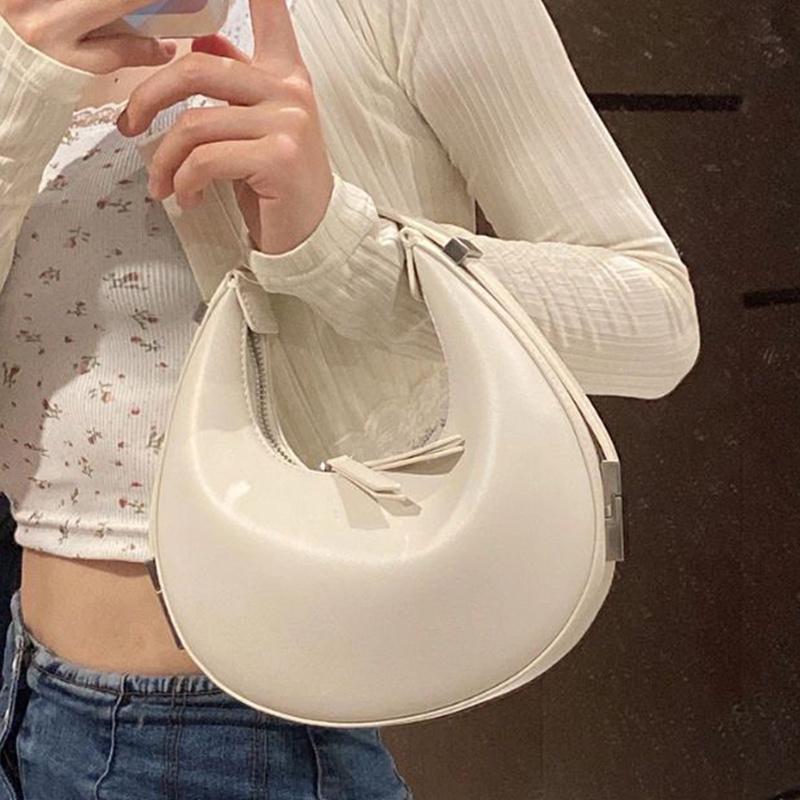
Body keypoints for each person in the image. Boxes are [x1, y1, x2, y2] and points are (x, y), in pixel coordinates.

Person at [0, 0, 702, 796]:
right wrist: (18, 91)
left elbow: (656, 319)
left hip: (235, 734)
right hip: (22, 686)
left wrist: (340, 245)